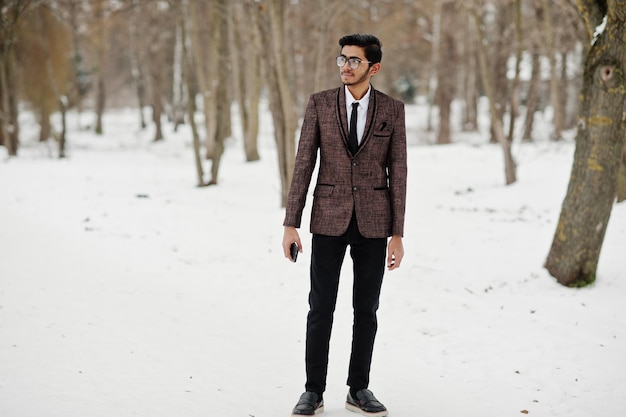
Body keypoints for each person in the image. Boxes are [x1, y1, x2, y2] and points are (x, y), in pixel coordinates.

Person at [282, 34, 407, 417]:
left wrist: (398, 233)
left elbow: (398, 171)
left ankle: (359, 389)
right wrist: (292, 222)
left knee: (366, 309)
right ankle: (313, 391)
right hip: (329, 219)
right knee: (320, 307)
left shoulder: (392, 109)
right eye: (342, 59)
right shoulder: (320, 104)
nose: (346, 67)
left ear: (374, 67)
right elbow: (304, 164)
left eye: (354, 60)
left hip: (374, 222)